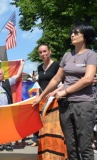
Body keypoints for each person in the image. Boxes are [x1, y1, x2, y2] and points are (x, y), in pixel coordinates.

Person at [33, 23, 97, 160]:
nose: (72, 35)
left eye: (76, 33)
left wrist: (65, 91)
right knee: (70, 146)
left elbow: (88, 79)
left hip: (83, 105)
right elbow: (56, 78)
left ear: (85, 36)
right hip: (65, 106)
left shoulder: (91, 55)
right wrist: (41, 97)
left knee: (85, 147)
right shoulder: (67, 56)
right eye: (72, 32)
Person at [36, 44, 67, 159]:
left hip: (55, 103)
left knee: (55, 130)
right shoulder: (39, 67)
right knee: (44, 130)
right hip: (43, 104)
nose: (43, 54)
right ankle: (45, 155)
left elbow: (65, 83)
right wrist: (37, 98)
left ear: (50, 51)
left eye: (45, 51)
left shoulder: (57, 65)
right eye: (40, 52)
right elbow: (39, 85)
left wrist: (55, 92)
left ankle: (57, 156)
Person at [0, 60, 25, 151]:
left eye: (0, 74)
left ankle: (8, 143)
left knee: (7, 126)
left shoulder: (7, 82)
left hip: (7, 109)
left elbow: (17, 76)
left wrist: (22, 65)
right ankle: (0, 143)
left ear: (3, 75)